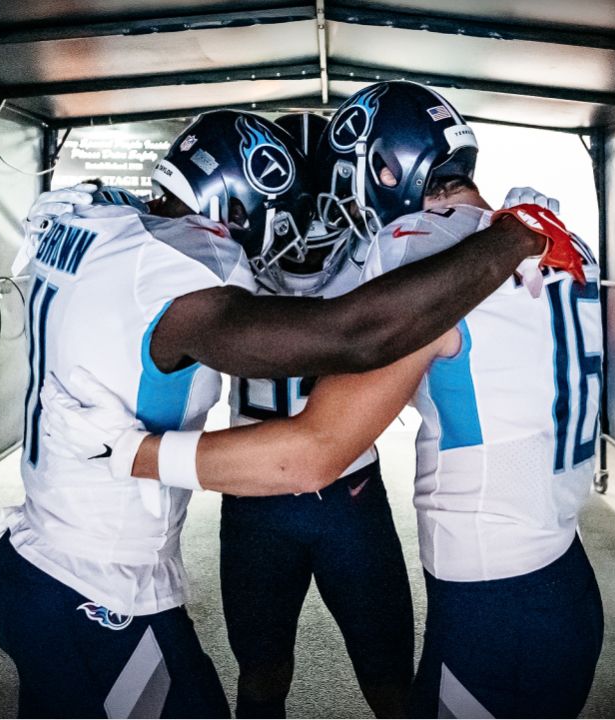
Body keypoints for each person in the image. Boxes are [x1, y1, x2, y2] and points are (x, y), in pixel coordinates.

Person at [42, 83, 604, 718]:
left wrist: (132, 452)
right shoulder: (548, 238)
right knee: (264, 670)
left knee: (386, 673)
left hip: (373, 505)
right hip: (541, 554)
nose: (322, 212)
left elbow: (329, 409)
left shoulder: (403, 248)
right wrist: (511, 225)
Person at [217, 113, 414, 719]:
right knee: (261, 671)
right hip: (259, 491)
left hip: (344, 489)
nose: (310, 219)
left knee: (388, 676)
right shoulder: (224, 258)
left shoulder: (376, 252)